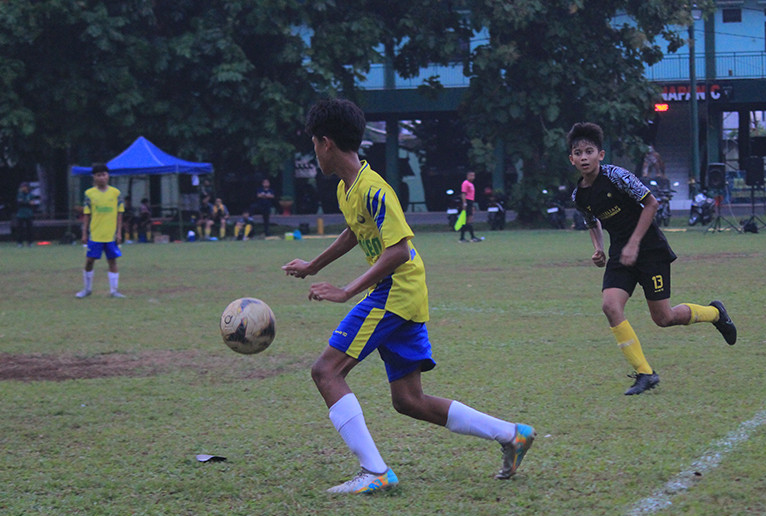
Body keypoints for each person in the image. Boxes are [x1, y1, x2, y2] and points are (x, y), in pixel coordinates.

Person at [281, 98, 534, 494]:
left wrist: (347, 290)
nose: (314, 151)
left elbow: (398, 249)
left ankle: (375, 472)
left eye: (314, 142)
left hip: (395, 291)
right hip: (404, 293)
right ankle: (511, 434)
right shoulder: (349, 189)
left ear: (326, 142)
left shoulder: (374, 188)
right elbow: (354, 231)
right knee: (408, 400)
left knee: (326, 372)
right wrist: (314, 266)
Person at [567, 122, 737, 396]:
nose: (584, 157)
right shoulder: (580, 195)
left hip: (649, 249)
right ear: (572, 159)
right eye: (578, 152)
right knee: (610, 306)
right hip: (621, 254)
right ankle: (645, 373)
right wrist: (598, 247)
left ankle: (715, 313)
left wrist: (634, 243)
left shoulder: (618, 177)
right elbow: (592, 221)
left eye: (589, 151)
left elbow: (652, 204)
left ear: (601, 154)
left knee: (664, 318)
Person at [76, 163, 125, 298]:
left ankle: (114, 291)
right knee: (89, 261)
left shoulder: (115, 193)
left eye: (104, 174)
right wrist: (84, 233)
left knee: (112, 261)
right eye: (98, 175)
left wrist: (119, 232)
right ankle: (87, 289)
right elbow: (87, 214)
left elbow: (119, 214)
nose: (102, 178)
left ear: (108, 176)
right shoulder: (89, 193)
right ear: (94, 177)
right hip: (95, 234)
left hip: (110, 235)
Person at [458, 170, 483, 242]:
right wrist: (464, 203)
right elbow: (463, 194)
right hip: (467, 202)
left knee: (469, 221)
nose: (473, 177)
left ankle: (467, 237)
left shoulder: (471, 184)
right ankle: (468, 237)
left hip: (470, 202)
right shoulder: (465, 183)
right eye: (471, 175)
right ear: (467, 176)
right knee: (467, 220)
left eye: (473, 176)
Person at [14, 182, 34, 247]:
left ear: (27, 187)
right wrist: (28, 203)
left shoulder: (30, 195)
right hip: (20, 215)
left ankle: (30, 243)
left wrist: (25, 203)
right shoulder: (20, 194)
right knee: (20, 230)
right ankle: (19, 243)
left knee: (30, 230)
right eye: (22, 187)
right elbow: (20, 203)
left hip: (29, 214)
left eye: (24, 186)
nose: (22, 188)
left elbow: (32, 204)